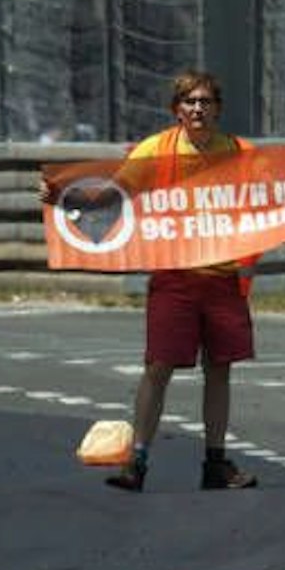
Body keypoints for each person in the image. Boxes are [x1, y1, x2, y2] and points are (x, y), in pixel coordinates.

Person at [105, 70, 264, 493]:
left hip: (223, 277)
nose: (197, 109)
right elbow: (115, 190)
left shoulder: (240, 152)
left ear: (218, 108)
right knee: (157, 367)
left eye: (205, 101)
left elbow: (283, 187)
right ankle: (136, 460)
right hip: (174, 276)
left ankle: (215, 462)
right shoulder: (156, 149)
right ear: (176, 109)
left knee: (220, 368)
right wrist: (61, 194)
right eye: (189, 102)